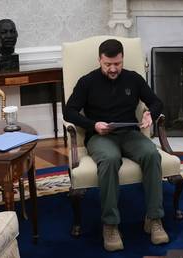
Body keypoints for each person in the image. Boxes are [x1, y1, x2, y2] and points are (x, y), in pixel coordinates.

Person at [64, 39, 168, 252]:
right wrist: (93, 124)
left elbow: (157, 102)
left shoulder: (133, 79)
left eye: (117, 64)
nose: (113, 69)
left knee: (151, 153)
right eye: (108, 64)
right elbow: (69, 111)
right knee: (110, 159)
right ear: (100, 60)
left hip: (130, 133)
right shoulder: (87, 82)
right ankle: (110, 225)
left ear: (122, 59)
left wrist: (150, 113)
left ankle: (154, 219)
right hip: (100, 136)